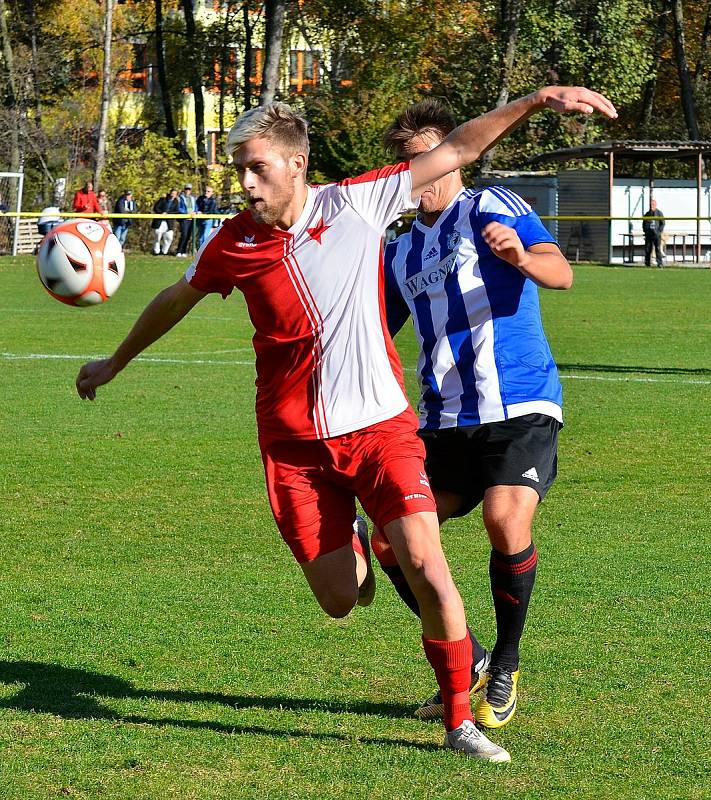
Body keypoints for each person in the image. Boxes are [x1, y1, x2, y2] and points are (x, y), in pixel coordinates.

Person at [75, 88, 615, 762]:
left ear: (297, 166)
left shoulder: (357, 202)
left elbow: (460, 147)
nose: (244, 183)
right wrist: (114, 362)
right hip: (294, 448)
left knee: (426, 563)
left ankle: (459, 720)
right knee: (340, 598)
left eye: (256, 168)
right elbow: (175, 298)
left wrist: (537, 100)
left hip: (381, 433)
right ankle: (358, 550)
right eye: (238, 170)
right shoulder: (232, 242)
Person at [373, 98, 575, 732]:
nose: (427, 172)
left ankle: (506, 668)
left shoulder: (491, 205)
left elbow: (560, 273)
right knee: (388, 541)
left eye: (435, 158)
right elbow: (373, 328)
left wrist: (518, 257)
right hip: (444, 420)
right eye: (413, 163)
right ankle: (475, 660)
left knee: (503, 515)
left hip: (519, 401)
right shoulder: (399, 252)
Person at [151, 189, 180, 255]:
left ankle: (164, 251)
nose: (173, 195)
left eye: (175, 194)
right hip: (159, 221)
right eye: (172, 193)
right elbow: (156, 208)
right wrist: (161, 213)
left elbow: (176, 211)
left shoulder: (176, 202)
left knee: (169, 237)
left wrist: (168, 213)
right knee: (157, 236)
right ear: (170, 193)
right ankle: (156, 251)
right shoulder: (162, 199)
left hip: (169, 222)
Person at [643, 198, 665, 268]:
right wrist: (645, 231)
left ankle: (660, 263)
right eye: (651, 205)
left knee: (657, 249)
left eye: (653, 204)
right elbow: (644, 223)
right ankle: (647, 262)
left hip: (656, 235)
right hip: (649, 234)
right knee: (648, 249)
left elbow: (662, 223)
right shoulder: (647, 214)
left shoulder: (659, 213)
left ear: (655, 205)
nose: (651, 206)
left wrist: (659, 231)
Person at [176, 184, 196, 257]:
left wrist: (196, 211)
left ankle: (184, 251)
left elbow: (195, 207)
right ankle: (179, 251)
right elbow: (179, 208)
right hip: (184, 219)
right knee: (184, 235)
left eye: (189, 189)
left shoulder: (193, 198)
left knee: (188, 236)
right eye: (186, 189)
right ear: (184, 189)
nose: (188, 190)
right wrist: (186, 212)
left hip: (192, 219)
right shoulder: (180, 198)